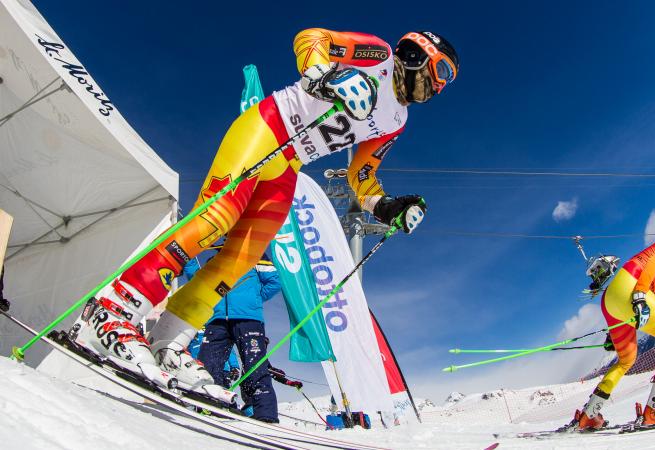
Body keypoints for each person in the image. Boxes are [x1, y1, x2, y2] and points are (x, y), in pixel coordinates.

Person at [70, 28, 459, 398]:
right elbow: (312, 38)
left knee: (241, 259)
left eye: (448, 79)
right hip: (269, 128)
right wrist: (324, 75)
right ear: (416, 54)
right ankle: (110, 310)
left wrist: (388, 207)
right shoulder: (377, 54)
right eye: (440, 70)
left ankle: (169, 341)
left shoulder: (398, 120)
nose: (440, 85)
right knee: (213, 220)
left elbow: (362, 174)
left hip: (291, 164)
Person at [567, 220, 655, 430]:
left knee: (626, 360)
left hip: (613, 298)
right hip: (631, 286)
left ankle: (588, 416)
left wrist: (612, 334)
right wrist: (640, 294)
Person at [186, 251, 300, 422]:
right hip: (216, 320)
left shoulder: (255, 255)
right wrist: (187, 256)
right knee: (207, 365)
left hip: (248, 319)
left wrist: (252, 300)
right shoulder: (214, 260)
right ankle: (210, 407)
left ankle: (266, 415)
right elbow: (199, 283)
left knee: (255, 367)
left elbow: (273, 282)